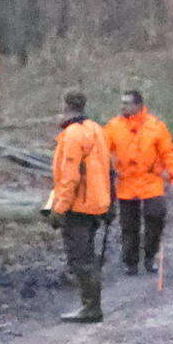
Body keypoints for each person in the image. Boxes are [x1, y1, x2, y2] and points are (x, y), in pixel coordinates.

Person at [47, 89, 114, 324]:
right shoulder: (97, 130)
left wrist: (59, 208)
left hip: (79, 206)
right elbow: (109, 169)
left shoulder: (72, 135)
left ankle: (91, 307)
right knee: (87, 256)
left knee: (80, 259)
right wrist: (110, 203)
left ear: (66, 105)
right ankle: (92, 304)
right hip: (97, 203)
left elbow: (70, 177)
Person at [104, 88, 173, 277]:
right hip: (126, 182)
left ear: (139, 105)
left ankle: (149, 255)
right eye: (122, 102)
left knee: (156, 217)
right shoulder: (113, 126)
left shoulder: (155, 126)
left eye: (127, 103)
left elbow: (168, 152)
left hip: (151, 180)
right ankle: (130, 262)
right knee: (128, 225)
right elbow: (103, 150)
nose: (123, 106)